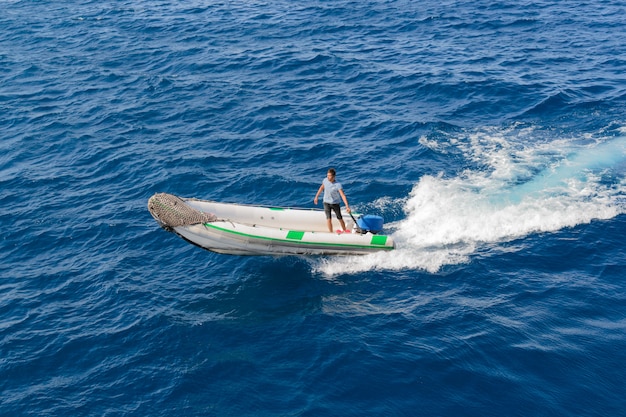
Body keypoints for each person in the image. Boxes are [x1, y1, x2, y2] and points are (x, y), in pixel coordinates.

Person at [314, 168, 351, 233]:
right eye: (327, 175)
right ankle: (331, 233)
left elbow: (342, 195)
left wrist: (347, 206)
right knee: (329, 219)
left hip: (335, 203)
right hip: (326, 202)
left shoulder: (338, 185)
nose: (328, 177)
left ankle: (344, 230)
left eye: (329, 176)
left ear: (334, 176)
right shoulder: (325, 180)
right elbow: (321, 188)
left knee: (339, 218)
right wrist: (316, 196)